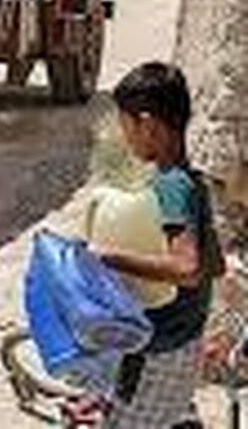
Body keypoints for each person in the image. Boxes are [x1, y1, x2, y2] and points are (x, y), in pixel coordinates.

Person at [92, 62, 224, 428]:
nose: (126, 137)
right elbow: (216, 264)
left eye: (127, 126)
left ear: (147, 125)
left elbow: (188, 269)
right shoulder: (192, 179)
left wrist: (108, 258)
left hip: (158, 352)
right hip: (187, 339)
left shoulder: (170, 186)